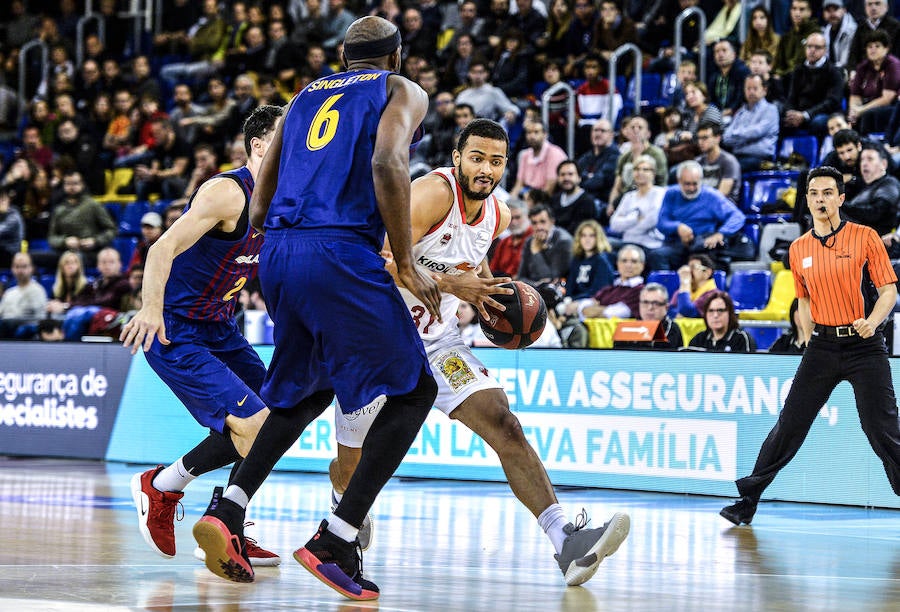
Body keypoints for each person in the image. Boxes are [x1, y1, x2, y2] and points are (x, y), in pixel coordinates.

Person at [198, 17, 441, 599]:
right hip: (338, 251)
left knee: (302, 392)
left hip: (279, 252)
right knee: (414, 392)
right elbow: (388, 163)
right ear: (397, 56)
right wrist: (405, 263)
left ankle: (229, 508)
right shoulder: (400, 89)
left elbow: (259, 203)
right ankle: (336, 536)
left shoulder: (302, 96)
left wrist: (280, 233)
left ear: (342, 55)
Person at [331, 118, 629, 587]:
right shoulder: (431, 194)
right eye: (477, 158)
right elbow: (376, 262)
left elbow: (475, 266)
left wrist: (493, 300)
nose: (486, 169)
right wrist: (453, 285)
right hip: (374, 340)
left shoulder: (500, 216)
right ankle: (342, 501)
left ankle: (565, 541)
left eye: (495, 161)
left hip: (439, 342)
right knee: (353, 467)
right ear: (457, 158)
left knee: (505, 423)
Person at [118, 106, 285, 567]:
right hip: (176, 330)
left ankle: (171, 489)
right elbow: (161, 248)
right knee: (253, 425)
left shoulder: (284, 200)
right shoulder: (228, 193)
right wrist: (151, 310)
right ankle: (220, 516)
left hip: (220, 327)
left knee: (278, 420)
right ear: (259, 146)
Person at [721, 165, 900, 525]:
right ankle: (747, 501)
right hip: (821, 347)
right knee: (789, 424)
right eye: (814, 194)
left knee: (881, 427)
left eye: (828, 193)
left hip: (865, 346)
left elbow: (889, 291)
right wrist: (806, 334)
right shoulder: (799, 248)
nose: (821, 200)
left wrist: (873, 320)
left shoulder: (866, 237)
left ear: (841, 198)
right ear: (807, 200)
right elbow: (802, 300)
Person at [653, 160, 747, 271]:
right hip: (676, 244)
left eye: (695, 184)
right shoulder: (671, 193)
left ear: (701, 181)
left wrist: (721, 233)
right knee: (656, 256)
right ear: (679, 181)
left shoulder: (711, 195)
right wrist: (678, 227)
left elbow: (738, 217)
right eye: (687, 184)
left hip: (702, 245)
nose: (692, 188)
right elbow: (662, 222)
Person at [607, 154, 666, 254]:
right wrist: (635, 219)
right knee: (604, 244)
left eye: (645, 169)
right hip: (627, 242)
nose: (640, 173)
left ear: (653, 173)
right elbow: (614, 224)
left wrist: (626, 221)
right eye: (637, 169)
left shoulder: (660, 193)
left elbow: (651, 221)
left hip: (650, 243)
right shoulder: (628, 196)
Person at [722, 74, 780, 173]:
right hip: (738, 156)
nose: (751, 92)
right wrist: (744, 136)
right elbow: (726, 137)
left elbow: (756, 132)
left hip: (760, 158)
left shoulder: (770, 110)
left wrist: (737, 137)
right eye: (748, 88)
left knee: (729, 168)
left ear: (764, 90)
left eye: (755, 88)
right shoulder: (741, 112)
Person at [612, 282, 684, 350]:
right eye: (645, 302)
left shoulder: (672, 329)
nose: (650, 308)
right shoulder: (627, 329)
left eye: (656, 303)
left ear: (666, 307)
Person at [687, 291, 755, 352]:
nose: (715, 315)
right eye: (711, 311)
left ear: (730, 313)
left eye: (720, 310)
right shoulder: (698, 340)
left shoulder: (741, 339)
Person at [0, 253, 48, 339]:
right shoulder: (9, 293)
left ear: (31, 268)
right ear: (12, 269)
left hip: (24, 334)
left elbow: (37, 319)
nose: (20, 270)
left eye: (24, 266)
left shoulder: (37, 290)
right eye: (17, 267)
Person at [548, 159, 598, 236]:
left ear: (579, 178)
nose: (566, 178)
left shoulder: (587, 202)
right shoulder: (554, 199)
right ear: (558, 178)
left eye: (570, 174)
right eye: (562, 174)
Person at [489, 198, 532, 277]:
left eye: (518, 217)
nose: (514, 222)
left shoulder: (535, 239)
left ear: (528, 216)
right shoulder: (504, 242)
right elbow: (492, 269)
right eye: (510, 218)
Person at [670, 253, 718, 318]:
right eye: (688, 267)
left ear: (707, 272)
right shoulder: (682, 290)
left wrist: (685, 283)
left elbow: (687, 311)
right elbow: (669, 310)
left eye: (693, 267)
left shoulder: (713, 294)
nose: (689, 271)